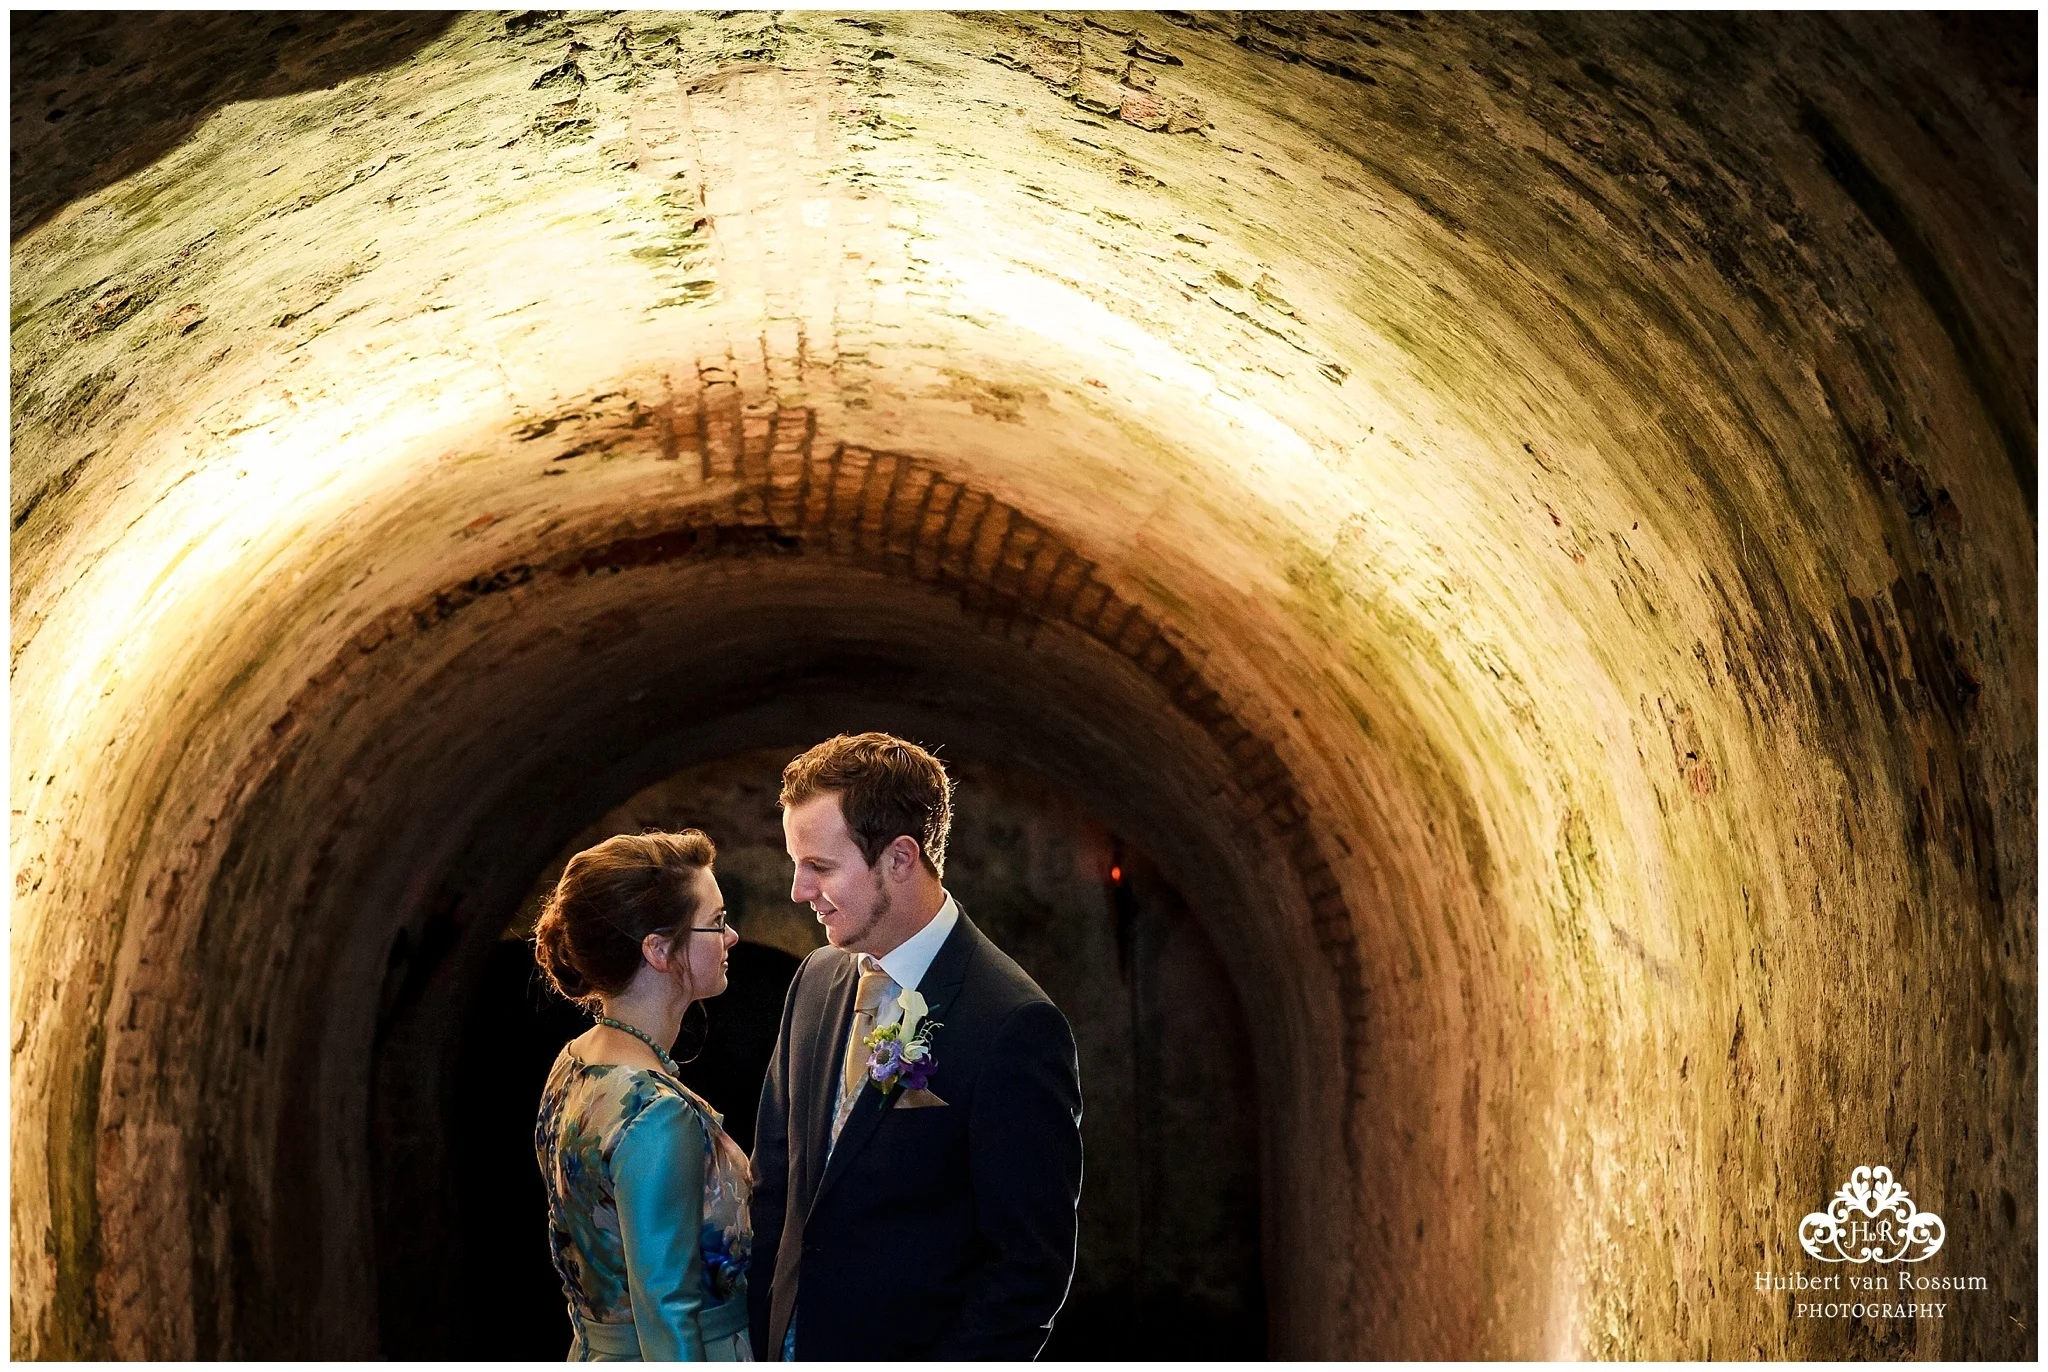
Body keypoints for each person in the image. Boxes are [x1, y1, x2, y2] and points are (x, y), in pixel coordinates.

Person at [749, 733, 1084, 1360]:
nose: (798, 890)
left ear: (901, 858)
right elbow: (775, 1180)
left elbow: (1027, 1269)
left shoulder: (1012, 1024)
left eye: (820, 866)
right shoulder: (815, 979)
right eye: (796, 863)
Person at [532, 830, 754, 1361]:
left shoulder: (575, 1061)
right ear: (657, 949)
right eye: (717, 922)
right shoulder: (657, 1114)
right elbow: (667, 1315)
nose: (732, 937)